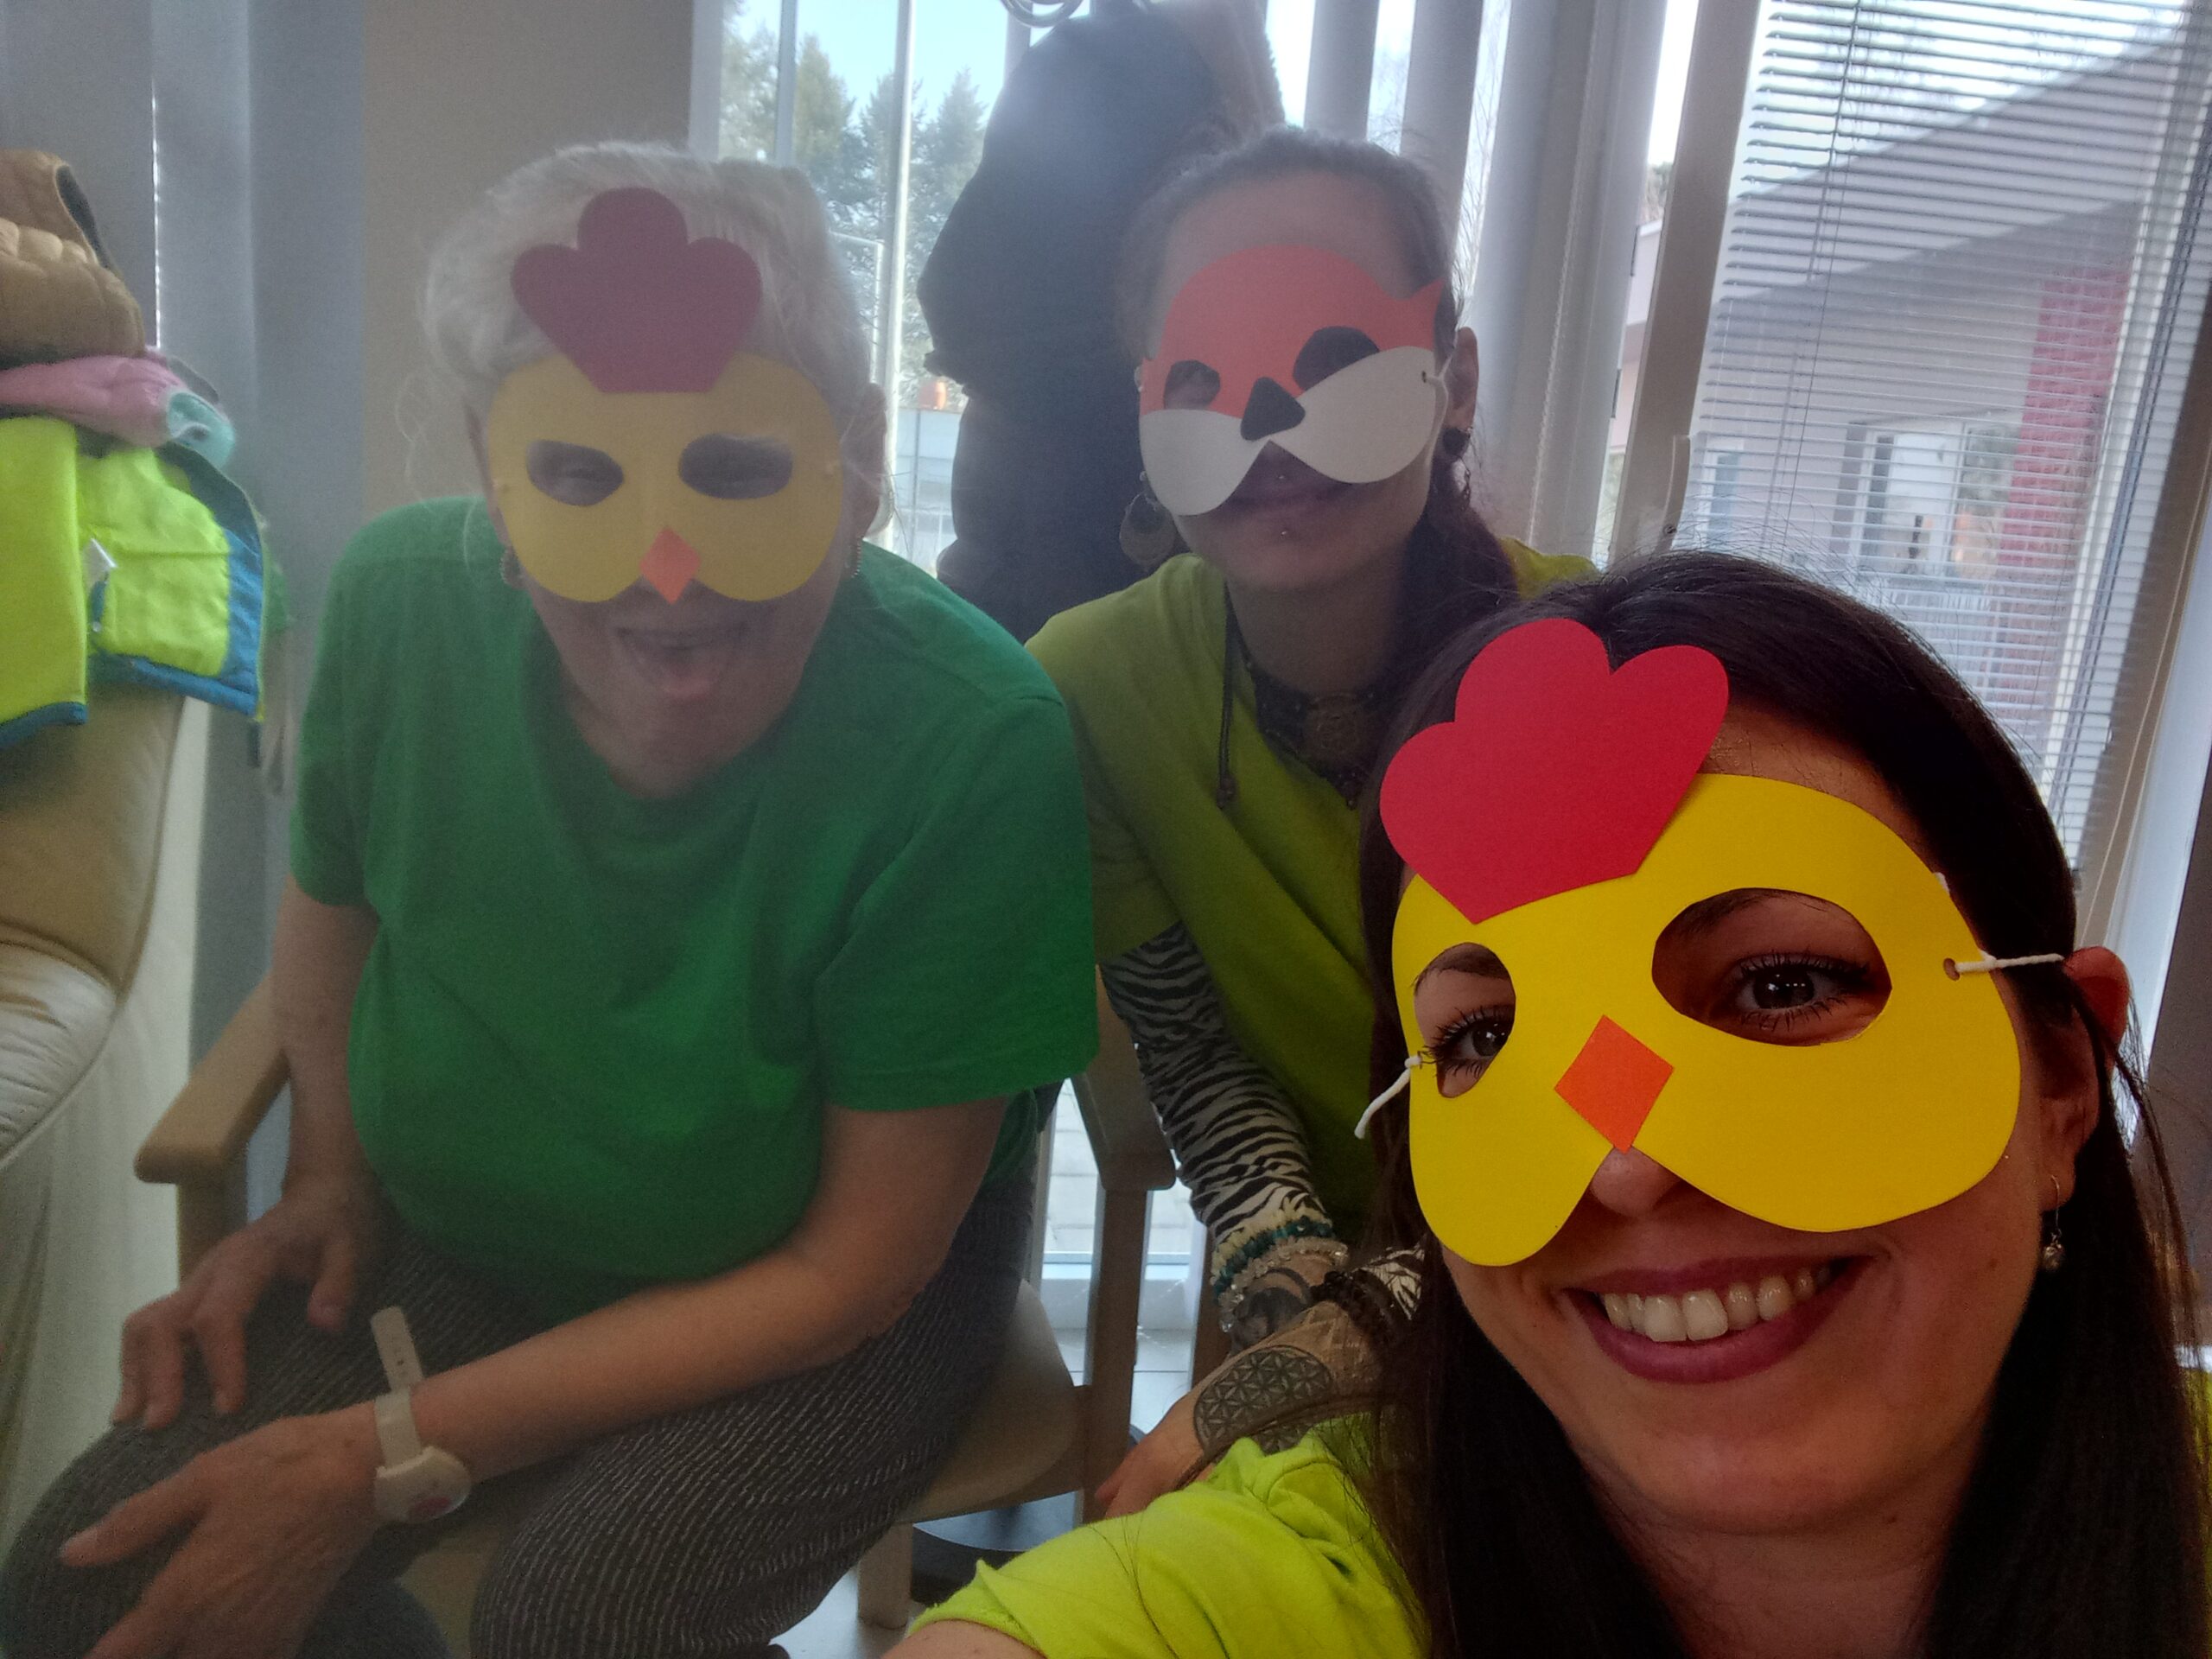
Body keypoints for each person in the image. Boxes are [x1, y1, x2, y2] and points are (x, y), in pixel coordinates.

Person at [0, 143, 1096, 1659]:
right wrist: (330, 1175)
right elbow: (335, 908)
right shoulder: (400, 605)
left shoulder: (972, 739)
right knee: (87, 1584)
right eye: (581, 476)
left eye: (738, 472)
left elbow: (850, 1274)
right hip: (469, 1243)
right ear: (495, 473)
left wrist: (384, 1454)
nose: (669, 575)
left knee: (583, 1620)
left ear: (858, 465)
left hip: (822, 1303)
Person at [893, 552, 2209, 1659]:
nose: (1625, 1163)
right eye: (1483, 1038)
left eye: (1783, 984)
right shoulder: (1289, 1588)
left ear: (2062, 1080)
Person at [1029, 125, 1587, 1508]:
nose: (1271, 424)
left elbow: (1601, 1109)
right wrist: (1295, 1312)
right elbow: (1201, 1063)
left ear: (1453, 384)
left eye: (1337, 357)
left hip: (1601, 1256)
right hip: (1333, 1276)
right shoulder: (1091, 686)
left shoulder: (1591, 665)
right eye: (1204, 377)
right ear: (1148, 412)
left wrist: (1333, 1351)